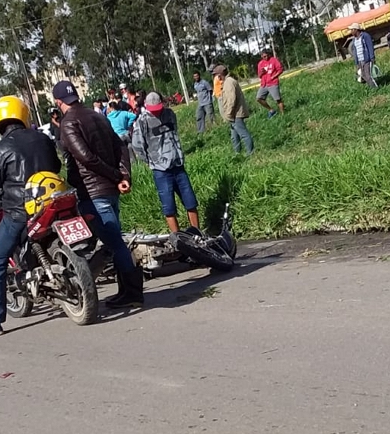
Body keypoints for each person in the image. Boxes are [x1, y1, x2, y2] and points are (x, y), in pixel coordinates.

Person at [0, 95, 62, 338]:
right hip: (53, 203)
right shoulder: (43, 138)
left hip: (19, 213)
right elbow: (56, 167)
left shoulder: (0, 149)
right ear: (23, 114)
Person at [53, 80, 143, 309]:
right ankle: (126, 291)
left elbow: (86, 158)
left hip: (93, 192)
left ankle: (133, 293)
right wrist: (123, 176)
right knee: (114, 238)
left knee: (114, 242)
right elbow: (121, 146)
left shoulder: (69, 123)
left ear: (58, 102)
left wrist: (116, 175)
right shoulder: (98, 116)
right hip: (109, 190)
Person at [132, 92, 200, 233]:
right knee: (169, 207)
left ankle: (197, 233)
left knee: (190, 202)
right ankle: (177, 237)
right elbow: (137, 146)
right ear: (146, 105)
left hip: (178, 165)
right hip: (161, 170)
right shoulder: (142, 121)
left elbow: (175, 134)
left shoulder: (169, 114)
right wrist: (151, 161)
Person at [212, 65, 254, 156]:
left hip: (235, 114)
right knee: (234, 137)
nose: (216, 76)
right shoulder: (227, 81)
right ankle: (237, 154)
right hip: (233, 114)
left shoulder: (229, 82)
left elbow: (231, 99)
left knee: (244, 134)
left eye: (217, 74)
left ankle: (250, 153)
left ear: (221, 73)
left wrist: (229, 114)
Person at [256, 48, 285, 118]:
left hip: (273, 83)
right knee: (258, 98)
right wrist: (261, 73)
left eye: (265, 56)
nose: (264, 58)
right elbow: (259, 75)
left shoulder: (273, 60)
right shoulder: (260, 63)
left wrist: (274, 76)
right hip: (264, 84)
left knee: (278, 99)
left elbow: (280, 69)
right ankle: (271, 110)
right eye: (263, 57)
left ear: (268, 55)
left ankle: (283, 114)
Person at [348, 22, 378, 88]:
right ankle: (371, 86)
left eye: (352, 30)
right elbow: (355, 51)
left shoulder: (365, 36)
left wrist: (372, 57)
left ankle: (375, 88)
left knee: (368, 75)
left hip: (366, 59)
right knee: (363, 75)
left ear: (356, 30)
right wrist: (356, 62)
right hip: (360, 60)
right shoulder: (354, 39)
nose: (351, 32)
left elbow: (370, 46)